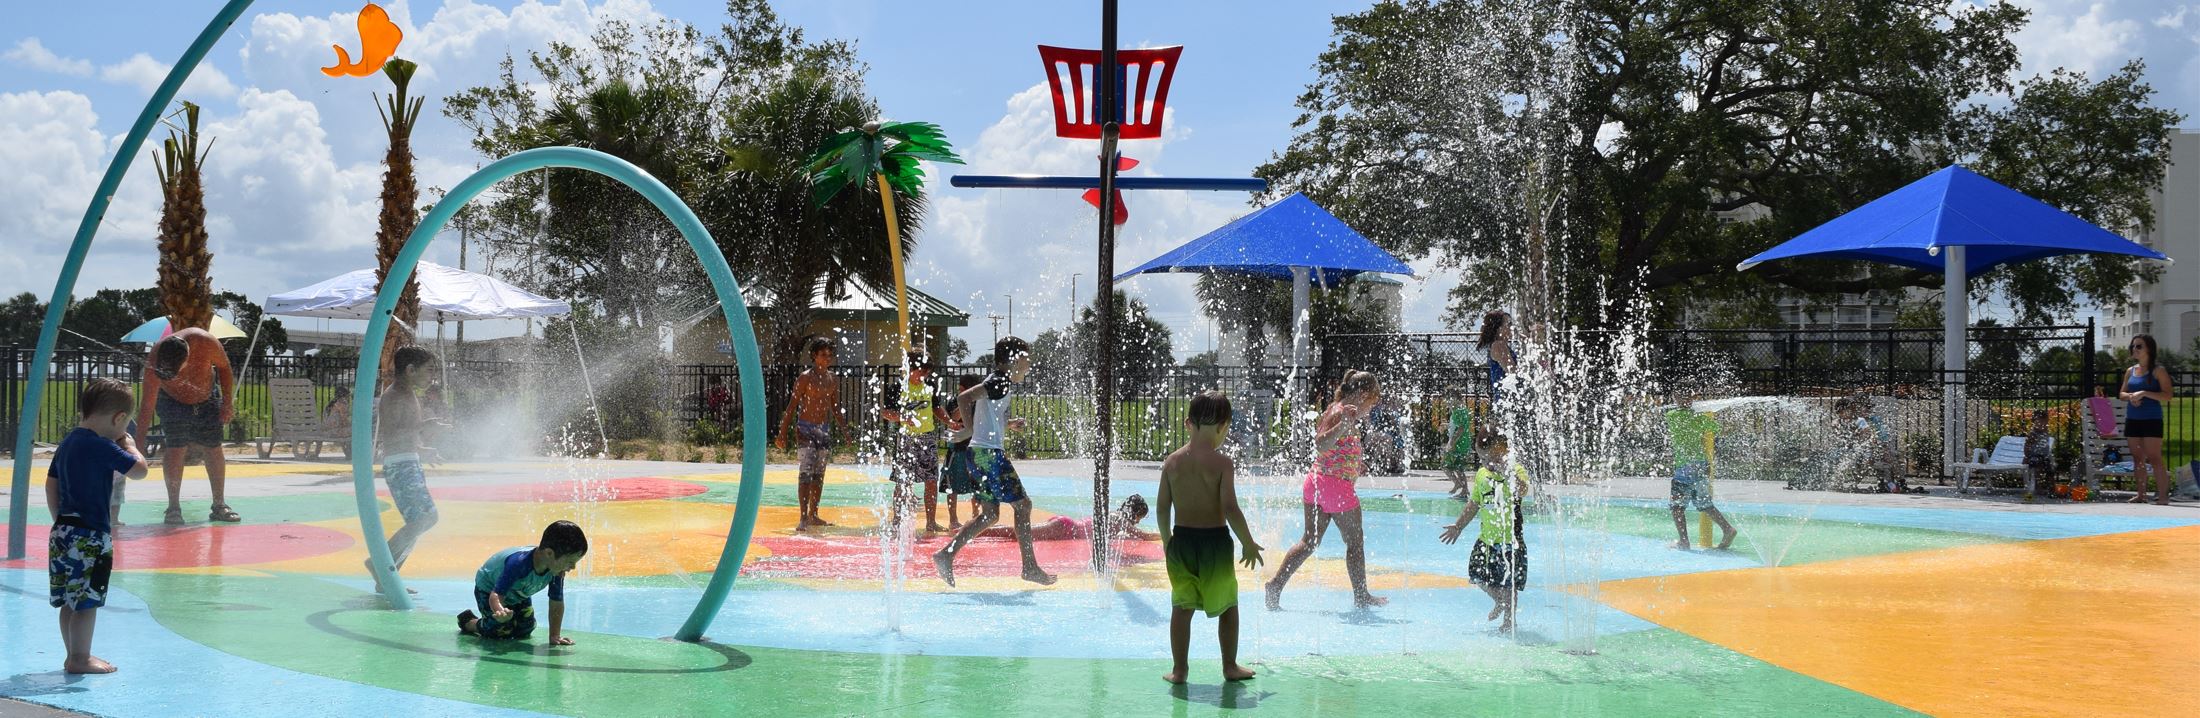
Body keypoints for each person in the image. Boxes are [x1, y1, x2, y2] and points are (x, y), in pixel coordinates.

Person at [1156, 391, 1262, 684]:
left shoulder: (1172, 462)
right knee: (1228, 606)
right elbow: (1230, 508)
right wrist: (1248, 542)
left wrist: (1167, 542)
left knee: (1182, 607)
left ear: (1188, 423)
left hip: (1182, 542)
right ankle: (1229, 666)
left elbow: (1163, 508)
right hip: (1214, 543)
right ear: (1223, 426)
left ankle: (1179, 670)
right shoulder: (1222, 464)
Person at [931, 337, 1056, 587]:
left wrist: (1006, 425)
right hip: (988, 456)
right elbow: (965, 398)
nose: (1028, 364)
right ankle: (1029, 567)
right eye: (1025, 359)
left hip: (981, 453)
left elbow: (985, 413)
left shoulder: (1001, 383)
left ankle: (945, 555)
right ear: (1012, 361)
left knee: (989, 516)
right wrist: (967, 430)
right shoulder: (999, 381)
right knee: (1023, 506)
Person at [46, 378, 150, 674]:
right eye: (124, 425)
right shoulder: (101, 445)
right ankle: (81, 658)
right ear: (119, 419)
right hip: (90, 534)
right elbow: (140, 471)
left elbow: (51, 484)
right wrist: (130, 444)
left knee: (69, 601)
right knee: (87, 601)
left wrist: (60, 520)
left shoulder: (69, 441)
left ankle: (72, 655)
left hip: (63, 531)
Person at [1265, 370, 1388, 610]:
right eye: (1371, 402)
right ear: (1362, 395)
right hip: (1335, 488)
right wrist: (1343, 427)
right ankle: (1361, 596)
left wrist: (1353, 462)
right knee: (1355, 543)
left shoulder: (1335, 407)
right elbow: (1321, 444)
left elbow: (1335, 450)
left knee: (1309, 542)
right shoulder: (1342, 413)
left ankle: (1275, 585)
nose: (1370, 409)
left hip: (1317, 483)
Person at [135, 328, 238, 525]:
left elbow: (225, 368)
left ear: (188, 358)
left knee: (213, 447)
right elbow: (147, 405)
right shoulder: (154, 362)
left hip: (207, 397)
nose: (172, 378)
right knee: (175, 448)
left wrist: (227, 403)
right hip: (171, 401)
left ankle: (219, 504)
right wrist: (138, 445)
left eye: (176, 372)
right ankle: (173, 507)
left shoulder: (205, 342)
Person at [1440, 426, 1529, 635]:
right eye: (1481, 459)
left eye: (1490, 458)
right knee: (1476, 574)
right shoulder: (1481, 475)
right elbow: (1474, 503)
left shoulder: (1515, 470)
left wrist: (1507, 473)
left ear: (1504, 451)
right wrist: (1458, 526)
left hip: (1510, 541)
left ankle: (1509, 621)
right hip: (1487, 540)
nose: (1486, 463)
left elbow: (1523, 489)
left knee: (1510, 585)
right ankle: (1500, 602)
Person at [370, 346, 444, 589]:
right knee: (425, 518)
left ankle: (388, 578)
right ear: (411, 370)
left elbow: (405, 435)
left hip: (407, 460)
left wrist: (422, 450)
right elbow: (392, 434)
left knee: (419, 521)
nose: (432, 376)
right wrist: (423, 428)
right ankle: (380, 563)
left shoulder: (408, 393)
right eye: (429, 370)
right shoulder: (394, 396)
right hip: (399, 464)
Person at [458, 520, 587, 643]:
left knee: (526, 628)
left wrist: (554, 635)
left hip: (518, 593)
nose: (573, 567)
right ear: (549, 553)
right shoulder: (519, 564)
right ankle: (470, 622)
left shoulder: (556, 571)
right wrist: (500, 612)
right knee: (500, 631)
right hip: (488, 589)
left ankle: (503, 621)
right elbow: (496, 595)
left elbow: (556, 603)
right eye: (570, 562)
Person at [880, 352, 950, 534]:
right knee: (903, 481)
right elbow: (886, 412)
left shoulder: (929, 386)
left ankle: (931, 522)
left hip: (927, 438)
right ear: (911, 368)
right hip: (906, 439)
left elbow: (935, 407)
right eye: (921, 371)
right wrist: (902, 417)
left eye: (927, 372)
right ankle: (896, 520)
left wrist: (949, 421)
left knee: (932, 480)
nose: (924, 375)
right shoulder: (898, 387)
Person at [777, 337, 840, 530]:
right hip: (805, 428)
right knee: (806, 472)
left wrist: (845, 431)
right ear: (814, 355)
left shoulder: (832, 379)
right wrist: (782, 433)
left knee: (819, 474)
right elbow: (792, 406)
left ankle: (814, 514)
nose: (827, 358)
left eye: (830, 355)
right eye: (823, 355)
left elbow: (836, 408)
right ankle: (803, 516)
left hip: (824, 430)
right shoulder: (805, 377)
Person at [1667, 396, 1737, 550]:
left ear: (1675, 397)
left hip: (1684, 467)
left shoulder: (1671, 415)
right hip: (1702, 465)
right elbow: (1717, 429)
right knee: (1704, 503)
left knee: (1677, 506)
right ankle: (1727, 529)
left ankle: (1684, 541)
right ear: (1693, 398)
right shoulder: (1701, 417)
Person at [2119, 334, 2175, 505]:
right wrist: (2131, 397)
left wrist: (2144, 393)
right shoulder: (2130, 371)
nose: (2134, 349)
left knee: (2154, 457)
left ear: (2149, 349)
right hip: (2133, 419)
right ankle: (2141, 494)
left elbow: (2168, 395)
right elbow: (2121, 394)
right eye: (2133, 346)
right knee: (2137, 458)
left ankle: (2163, 496)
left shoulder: (2158, 371)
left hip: (2152, 419)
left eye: (2139, 346)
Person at [978, 495, 1157, 542]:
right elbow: (1144, 536)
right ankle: (979, 530)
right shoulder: (1120, 520)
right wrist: (1169, 535)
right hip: (1065, 527)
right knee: (1017, 533)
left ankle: (978, 530)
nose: (1139, 521)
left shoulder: (1116, 518)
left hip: (1065, 526)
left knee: (1019, 533)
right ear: (1134, 513)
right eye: (1140, 517)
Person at [940, 374, 983, 529]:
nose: (960, 392)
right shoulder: (956, 400)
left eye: (963, 389)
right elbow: (953, 418)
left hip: (974, 447)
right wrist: (963, 401)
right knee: (952, 485)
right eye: (960, 390)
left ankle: (976, 516)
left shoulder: (980, 403)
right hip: (957, 449)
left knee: (976, 484)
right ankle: (953, 519)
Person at [1441, 397, 1477, 498]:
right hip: (1462, 443)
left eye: (1448, 399)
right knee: (1455, 467)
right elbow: (1459, 426)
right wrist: (1447, 425)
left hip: (1458, 444)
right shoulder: (1462, 410)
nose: (1447, 401)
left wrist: (1451, 443)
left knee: (1448, 466)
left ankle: (1461, 487)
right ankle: (1462, 487)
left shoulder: (1457, 412)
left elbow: (1460, 429)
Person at [2021, 409, 2055, 502]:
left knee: (2050, 469)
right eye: (2039, 422)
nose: (2042, 425)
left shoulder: (2046, 432)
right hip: (2034, 456)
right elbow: (2027, 446)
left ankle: (2052, 488)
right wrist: (2027, 457)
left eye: (2045, 422)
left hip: (2044, 456)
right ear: (2034, 422)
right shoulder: (2032, 434)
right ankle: (2038, 487)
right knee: (2038, 469)